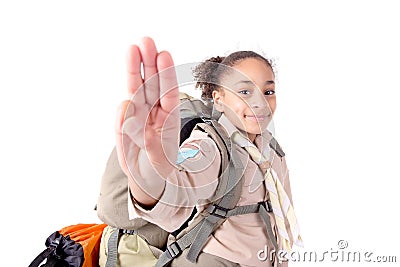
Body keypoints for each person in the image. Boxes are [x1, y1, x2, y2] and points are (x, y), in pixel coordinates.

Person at [115, 36, 302, 266]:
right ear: (218, 98)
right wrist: (149, 179)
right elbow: (180, 191)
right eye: (244, 92)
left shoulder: (272, 149)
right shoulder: (210, 144)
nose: (260, 102)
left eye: (268, 92)